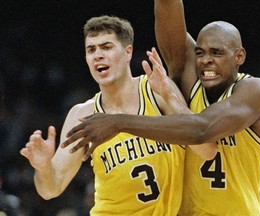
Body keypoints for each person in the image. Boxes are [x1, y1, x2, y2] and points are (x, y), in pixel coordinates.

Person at [61, 0, 260, 215]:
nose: (206, 61)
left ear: (239, 56)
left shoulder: (255, 90)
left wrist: (118, 122)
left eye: (216, 53)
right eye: (200, 53)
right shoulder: (190, 83)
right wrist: (171, 98)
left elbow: (200, 130)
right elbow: (167, 7)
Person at [20, 15, 216, 215]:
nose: (98, 55)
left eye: (106, 47)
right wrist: (43, 167)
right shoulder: (83, 114)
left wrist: (170, 97)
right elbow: (50, 189)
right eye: (91, 50)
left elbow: (207, 150)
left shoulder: (156, 91)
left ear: (127, 52)